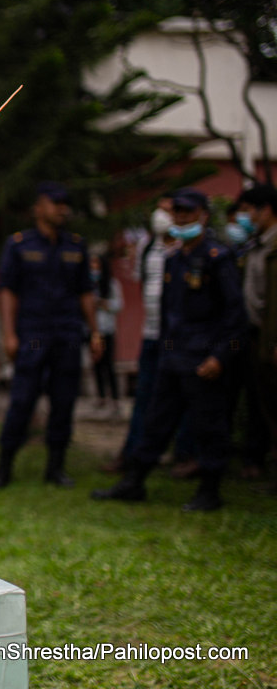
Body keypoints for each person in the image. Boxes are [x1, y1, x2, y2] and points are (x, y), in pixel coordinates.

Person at [92, 188, 247, 511]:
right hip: (172, 356)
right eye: (177, 212)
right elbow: (167, 314)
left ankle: (210, 490)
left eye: (187, 213)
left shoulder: (218, 258)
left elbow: (235, 313)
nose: (180, 218)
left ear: (203, 215)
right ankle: (134, 482)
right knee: (155, 421)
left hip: (203, 359)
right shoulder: (174, 259)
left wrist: (219, 357)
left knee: (209, 425)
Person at [0, 182, 103, 490]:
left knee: (64, 402)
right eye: (55, 203)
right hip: (33, 334)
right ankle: (3, 468)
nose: (62, 209)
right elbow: (7, 291)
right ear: (39, 207)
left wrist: (95, 331)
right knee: (22, 401)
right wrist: (9, 334)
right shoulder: (20, 244)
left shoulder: (76, 245)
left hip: (67, 333)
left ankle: (56, 467)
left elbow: (85, 292)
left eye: (65, 204)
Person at [102, 199, 175, 473]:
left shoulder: (189, 247)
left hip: (180, 337)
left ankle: (184, 456)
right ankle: (132, 455)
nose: (161, 216)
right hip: (152, 334)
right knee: (144, 396)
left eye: (168, 210)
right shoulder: (146, 248)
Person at [235, 183, 277, 482]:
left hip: (271, 338)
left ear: (267, 210)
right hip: (251, 336)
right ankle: (255, 461)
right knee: (258, 402)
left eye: (249, 211)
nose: (245, 217)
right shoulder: (255, 244)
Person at [90, 253, 124, 418]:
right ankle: (100, 397)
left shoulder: (111, 284)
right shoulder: (88, 284)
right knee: (96, 364)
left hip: (107, 329)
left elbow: (119, 305)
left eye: (96, 263)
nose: (94, 267)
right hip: (91, 330)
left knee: (108, 364)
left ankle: (115, 399)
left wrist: (102, 303)